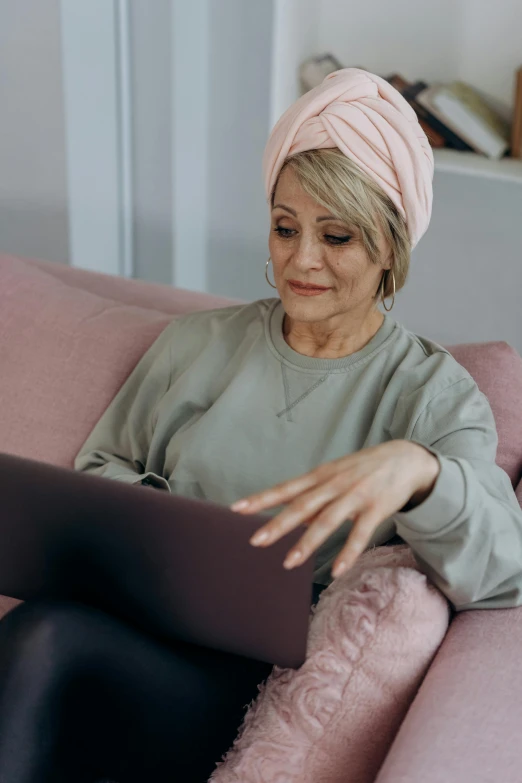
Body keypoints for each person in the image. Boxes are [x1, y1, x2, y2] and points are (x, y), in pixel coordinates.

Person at [0, 67, 521, 782]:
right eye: (285, 227)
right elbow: (100, 471)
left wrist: (422, 472)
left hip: (240, 685)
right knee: (48, 630)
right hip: (134, 629)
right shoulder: (196, 344)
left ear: (390, 248)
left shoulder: (432, 393)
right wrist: (174, 531)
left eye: (336, 236)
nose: (301, 260)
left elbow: (504, 572)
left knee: (44, 636)